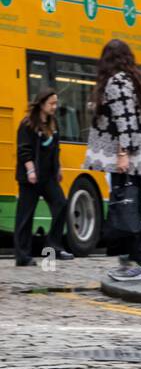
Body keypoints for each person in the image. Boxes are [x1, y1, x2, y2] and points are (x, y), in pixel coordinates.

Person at [84, 39, 141, 281]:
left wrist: (123, 154)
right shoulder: (131, 80)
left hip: (129, 159)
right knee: (129, 207)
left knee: (127, 208)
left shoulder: (116, 82)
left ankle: (137, 263)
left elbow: (126, 120)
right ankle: (130, 262)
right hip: (137, 157)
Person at [14, 87, 73, 265]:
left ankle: (54, 246)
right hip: (30, 177)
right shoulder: (27, 124)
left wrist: (59, 168)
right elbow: (24, 150)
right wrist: (30, 170)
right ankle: (22, 256)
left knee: (61, 204)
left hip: (48, 177)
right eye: (51, 103)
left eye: (56, 103)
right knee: (26, 215)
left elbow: (56, 148)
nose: (55, 106)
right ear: (41, 104)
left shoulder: (52, 123)